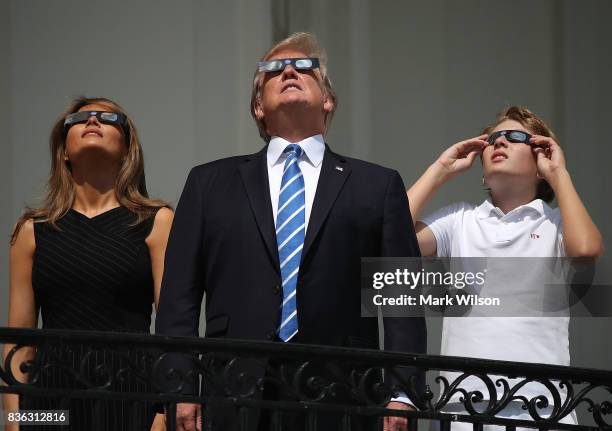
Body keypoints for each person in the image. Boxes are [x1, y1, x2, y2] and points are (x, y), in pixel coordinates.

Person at [155, 32, 426, 431]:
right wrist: (178, 387)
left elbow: (403, 298)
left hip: (343, 390)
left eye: (304, 67)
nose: (288, 71)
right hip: (235, 386)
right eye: (272, 69)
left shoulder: (377, 185)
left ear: (328, 100)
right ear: (257, 107)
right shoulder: (208, 183)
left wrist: (402, 392)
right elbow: (179, 296)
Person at [407, 106, 604, 429]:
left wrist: (559, 174)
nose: (500, 143)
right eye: (492, 140)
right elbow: (393, 237)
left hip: (540, 406)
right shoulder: (460, 219)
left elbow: (585, 249)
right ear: (483, 172)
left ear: (540, 163)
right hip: (463, 405)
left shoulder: (557, 222)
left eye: (515, 138)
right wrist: (440, 169)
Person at [3, 96, 173, 431]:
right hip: (51, 405)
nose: (92, 121)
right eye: (79, 119)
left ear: (127, 148)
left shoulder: (156, 222)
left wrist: (163, 412)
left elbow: (171, 331)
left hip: (131, 399)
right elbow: (19, 341)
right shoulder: (32, 230)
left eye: (107, 118)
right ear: (64, 150)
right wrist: (14, 420)